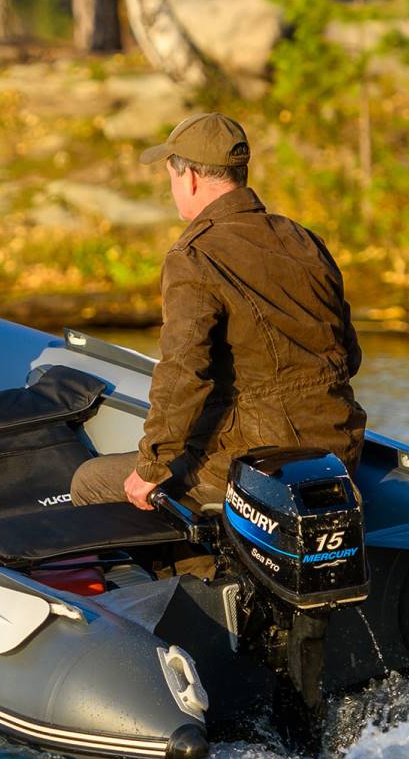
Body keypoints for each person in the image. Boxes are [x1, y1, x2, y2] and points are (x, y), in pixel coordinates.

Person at [70, 112, 365, 511]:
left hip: (259, 463)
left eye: (171, 176)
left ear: (189, 177)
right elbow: (350, 355)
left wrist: (151, 468)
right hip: (338, 451)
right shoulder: (303, 239)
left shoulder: (194, 256)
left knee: (89, 481)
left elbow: (182, 374)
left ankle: (196, 568)